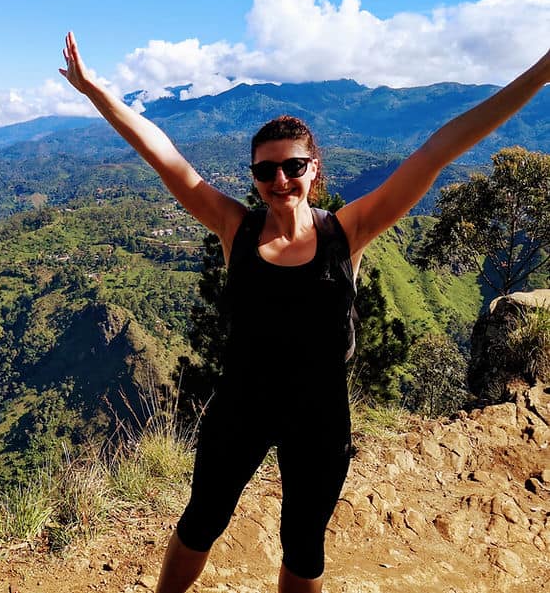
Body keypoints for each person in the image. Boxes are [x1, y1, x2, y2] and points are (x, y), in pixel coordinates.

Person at [58, 30, 550, 593]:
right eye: (264, 172)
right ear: (253, 178)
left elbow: (438, 150)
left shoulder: (348, 232)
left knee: (304, 545)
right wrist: (96, 91)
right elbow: (161, 152)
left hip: (319, 416)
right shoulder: (234, 228)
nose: (279, 181)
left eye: (292, 167)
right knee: (201, 522)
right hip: (241, 405)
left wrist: (537, 74)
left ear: (314, 169)